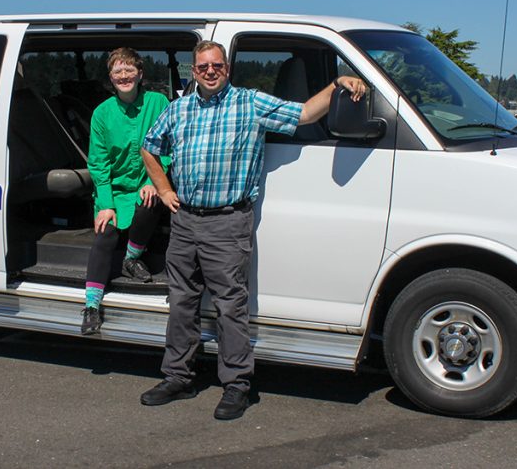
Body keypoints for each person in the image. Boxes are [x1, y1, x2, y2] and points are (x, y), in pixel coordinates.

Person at [138, 41, 367, 420]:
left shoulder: (250, 103)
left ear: (227, 68)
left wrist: (338, 84)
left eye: (217, 65)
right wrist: (163, 189)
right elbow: (149, 147)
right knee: (181, 303)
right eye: (202, 67)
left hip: (228, 221)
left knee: (231, 306)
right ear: (193, 72)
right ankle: (177, 377)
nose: (210, 71)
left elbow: (306, 113)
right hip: (185, 221)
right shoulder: (178, 109)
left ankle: (237, 386)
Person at [81, 48, 170, 335]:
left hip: (146, 183)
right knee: (105, 233)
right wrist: (105, 204)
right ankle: (91, 306)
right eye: (118, 71)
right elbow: (98, 163)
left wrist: (153, 179)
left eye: (129, 70)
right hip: (114, 190)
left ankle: (131, 258)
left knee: (149, 200)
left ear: (140, 73)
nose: (124, 76)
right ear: (110, 78)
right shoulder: (102, 114)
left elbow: (168, 145)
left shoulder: (158, 102)